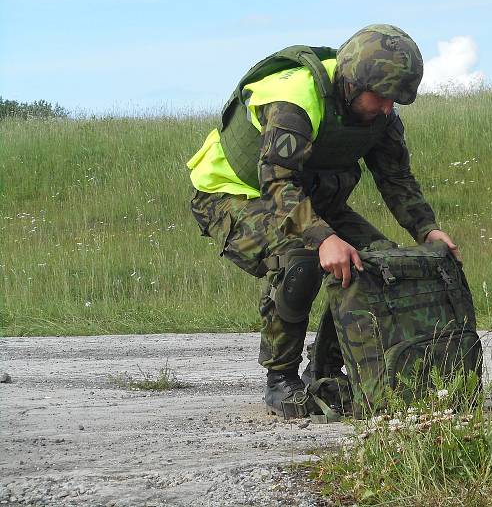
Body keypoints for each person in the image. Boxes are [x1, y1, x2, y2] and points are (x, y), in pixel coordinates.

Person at [186, 24, 458, 416]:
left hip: (307, 198)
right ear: (352, 82)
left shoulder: (380, 115)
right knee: (300, 258)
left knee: (380, 261)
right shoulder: (294, 102)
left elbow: (396, 179)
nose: (387, 108)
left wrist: (428, 230)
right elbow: (277, 182)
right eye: (381, 97)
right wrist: (323, 238)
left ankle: (326, 369)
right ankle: (280, 381)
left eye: (394, 101)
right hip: (233, 193)